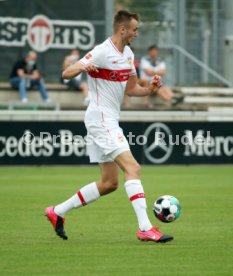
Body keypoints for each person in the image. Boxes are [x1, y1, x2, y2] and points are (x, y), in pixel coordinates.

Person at [45, 10, 173, 243]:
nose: (136, 33)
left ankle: (58, 211)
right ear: (122, 29)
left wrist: (150, 89)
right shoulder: (102, 51)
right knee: (133, 168)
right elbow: (66, 73)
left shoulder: (128, 53)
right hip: (101, 119)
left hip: (107, 119)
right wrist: (84, 66)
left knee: (109, 183)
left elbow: (132, 89)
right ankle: (144, 228)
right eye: (134, 29)